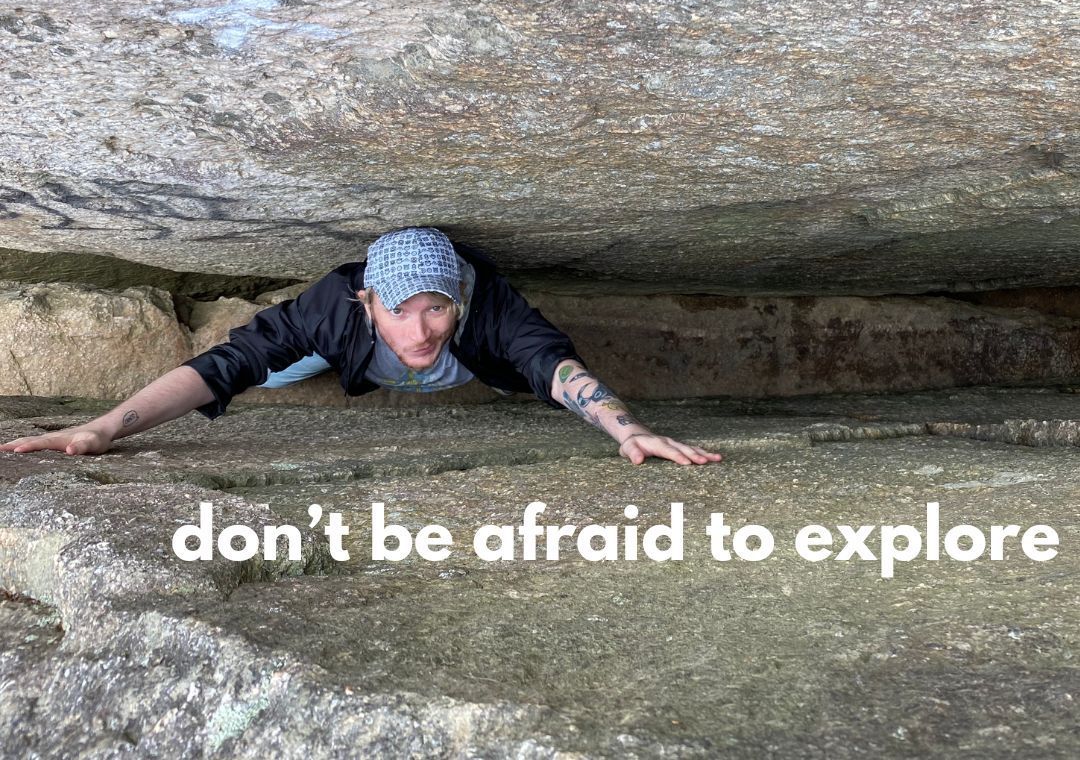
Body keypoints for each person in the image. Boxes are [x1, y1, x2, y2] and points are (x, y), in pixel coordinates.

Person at [0, 228, 723, 467]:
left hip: (474, 368)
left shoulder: (490, 311)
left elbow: (560, 368)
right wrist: (101, 428)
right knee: (272, 371)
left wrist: (630, 431)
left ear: (458, 300)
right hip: (342, 349)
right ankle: (325, 359)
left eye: (435, 310)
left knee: (524, 377)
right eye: (399, 313)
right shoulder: (333, 307)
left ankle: (485, 371)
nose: (418, 332)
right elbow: (221, 366)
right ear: (365, 300)